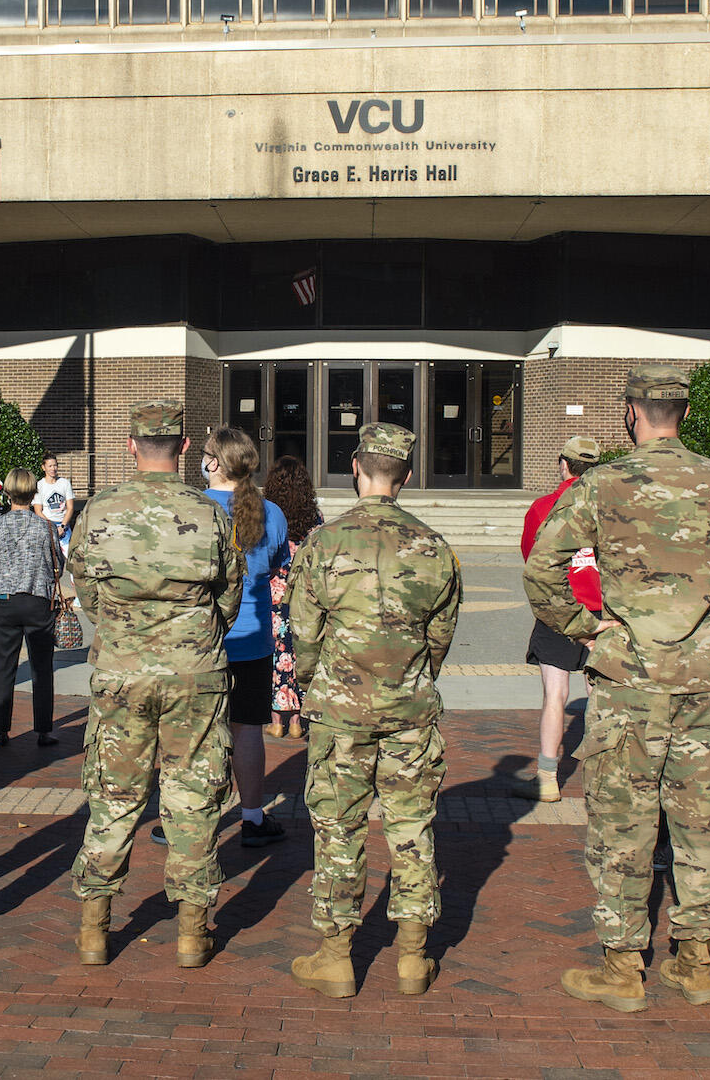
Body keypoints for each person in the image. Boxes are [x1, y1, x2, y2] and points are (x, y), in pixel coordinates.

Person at [524, 363, 710, 1013]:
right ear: (682, 411)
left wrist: (586, 628)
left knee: (624, 820)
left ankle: (625, 965)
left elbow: (543, 565)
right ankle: (694, 960)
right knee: (701, 817)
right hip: (704, 677)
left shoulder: (601, 484)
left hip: (628, 679)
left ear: (631, 410)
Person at [284, 422, 461, 998]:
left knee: (339, 827)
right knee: (411, 827)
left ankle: (337, 956)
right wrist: (409, 678)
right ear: (406, 477)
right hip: (409, 708)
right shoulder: (434, 548)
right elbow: (440, 639)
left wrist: (318, 685)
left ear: (355, 469)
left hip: (340, 712)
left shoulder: (324, 543)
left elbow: (303, 635)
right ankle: (412, 958)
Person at [68, 401, 244, 970]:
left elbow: (87, 593)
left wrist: (124, 630)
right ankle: (193, 932)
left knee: (113, 799)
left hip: (121, 672)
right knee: (193, 798)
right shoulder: (211, 513)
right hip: (194, 673)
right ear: (186, 447)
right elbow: (229, 598)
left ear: (130, 445)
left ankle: (95, 927)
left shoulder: (98, 511)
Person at [199, 428, 293, 846]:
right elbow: (275, 567)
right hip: (252, 638)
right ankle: (253, 818)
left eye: (204, 454)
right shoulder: (271, 513)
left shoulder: (195, 508)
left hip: (200, 640)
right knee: (248, 729)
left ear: (215, 463)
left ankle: (185, 819)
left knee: (195, 732)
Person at [513, 436, 603, 803]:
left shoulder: (543, 506)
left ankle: (548, 777)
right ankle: (603, 777)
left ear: (563, 464)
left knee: (555, 695)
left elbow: (531, 558)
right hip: (602, 612)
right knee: (601, 697)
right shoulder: (609, 508)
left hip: (558, 609)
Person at [0, 467, 61, 747]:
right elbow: (57, 567)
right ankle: (43, 729)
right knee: (41, 668)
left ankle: (1, 728)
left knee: (3, 667)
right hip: (37, 600)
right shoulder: (45, 527)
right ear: (33, 493)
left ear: (7, 493)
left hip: (5, 600)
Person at [261, 455, 321, 739]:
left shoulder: (269, 515)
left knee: (277, 654)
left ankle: (276, 720)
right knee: (299, 654)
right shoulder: (314, 516)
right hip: (302, 593)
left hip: (274, 591)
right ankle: (297, 720)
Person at [36, 454, 76, 550]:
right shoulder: (39, 485)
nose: (53, 469)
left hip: (63, 525)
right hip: (48, 525)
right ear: (43, 467)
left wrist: (62, 526)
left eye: (55, 465)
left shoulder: (65, 483)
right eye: (50, 466)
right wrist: (52, 527)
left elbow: (70, 508)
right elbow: (38, 511)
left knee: (67, 557)